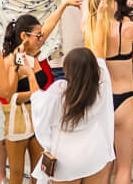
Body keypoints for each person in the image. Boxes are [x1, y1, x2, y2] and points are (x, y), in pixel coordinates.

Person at [28, 47, 115, 184]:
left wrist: (29, 73)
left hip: (66, 160)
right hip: (95, 154)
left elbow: (39, 103)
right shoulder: (101, 89)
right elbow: (100, 62)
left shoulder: (59, 91)